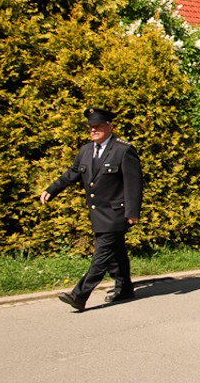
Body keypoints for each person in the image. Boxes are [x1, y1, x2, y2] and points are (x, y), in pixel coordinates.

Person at [39, 107, 143, 311]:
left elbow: (134, 183)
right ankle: (125, 287)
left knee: (101, 256)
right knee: (116, 252)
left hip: (115, 213)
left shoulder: (123, 150)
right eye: (90, 128)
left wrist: (132, 212)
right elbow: (72, 174)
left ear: (109, 126)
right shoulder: (86, 151)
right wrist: (52, 190)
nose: (93, 130)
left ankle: (79, 295)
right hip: (98, 213)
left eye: (97, 127)